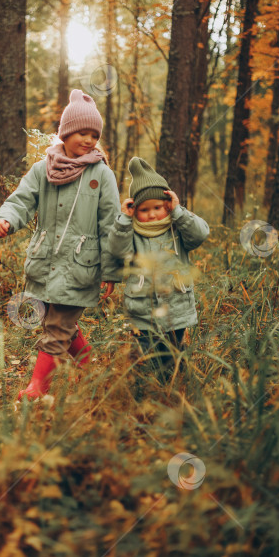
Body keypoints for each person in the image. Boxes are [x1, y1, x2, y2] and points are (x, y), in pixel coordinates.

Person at [0, 89, 121, 400]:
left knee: (56, 328)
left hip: (81, 267)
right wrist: (7, 219)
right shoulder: (43, 169)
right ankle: (91, 370)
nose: (89, 140)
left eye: (94, 134)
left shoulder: (101, 175)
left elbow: (112, 225)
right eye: (82, 132)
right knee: (59, 323)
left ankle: (38, 388)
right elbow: (21, 200)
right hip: (45, 262)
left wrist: (112, 269)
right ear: (65, 132)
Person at [108, 157, 209, 392]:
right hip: (142, 307)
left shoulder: (178, 227)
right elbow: (117, 249)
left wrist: (179, 212)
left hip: (176, 305)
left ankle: (174, 387)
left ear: (168, 204)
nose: (152, 215)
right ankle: (146, 390)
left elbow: (201, 234)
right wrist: (123, 220)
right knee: (147, 353)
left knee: (172, 352)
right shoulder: (132, 231)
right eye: (144, 210)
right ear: (134, 210)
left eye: (157, 207)